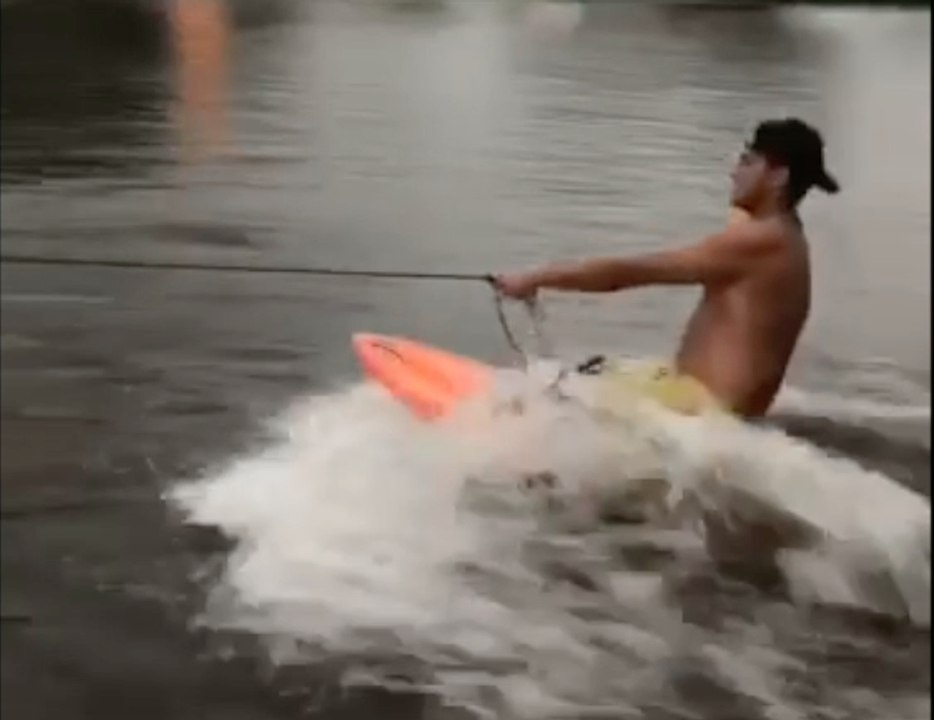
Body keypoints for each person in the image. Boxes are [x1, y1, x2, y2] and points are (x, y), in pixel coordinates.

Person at [494, 118, 839, 418]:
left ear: (777, 176)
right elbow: (742, 219)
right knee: (590, 372)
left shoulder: (759, 241)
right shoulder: (783, 235)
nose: (734, 172)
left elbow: (631, 273)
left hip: (699, 415)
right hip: (693, 400)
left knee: (536, 405)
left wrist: (535, 278)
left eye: (747, 162)